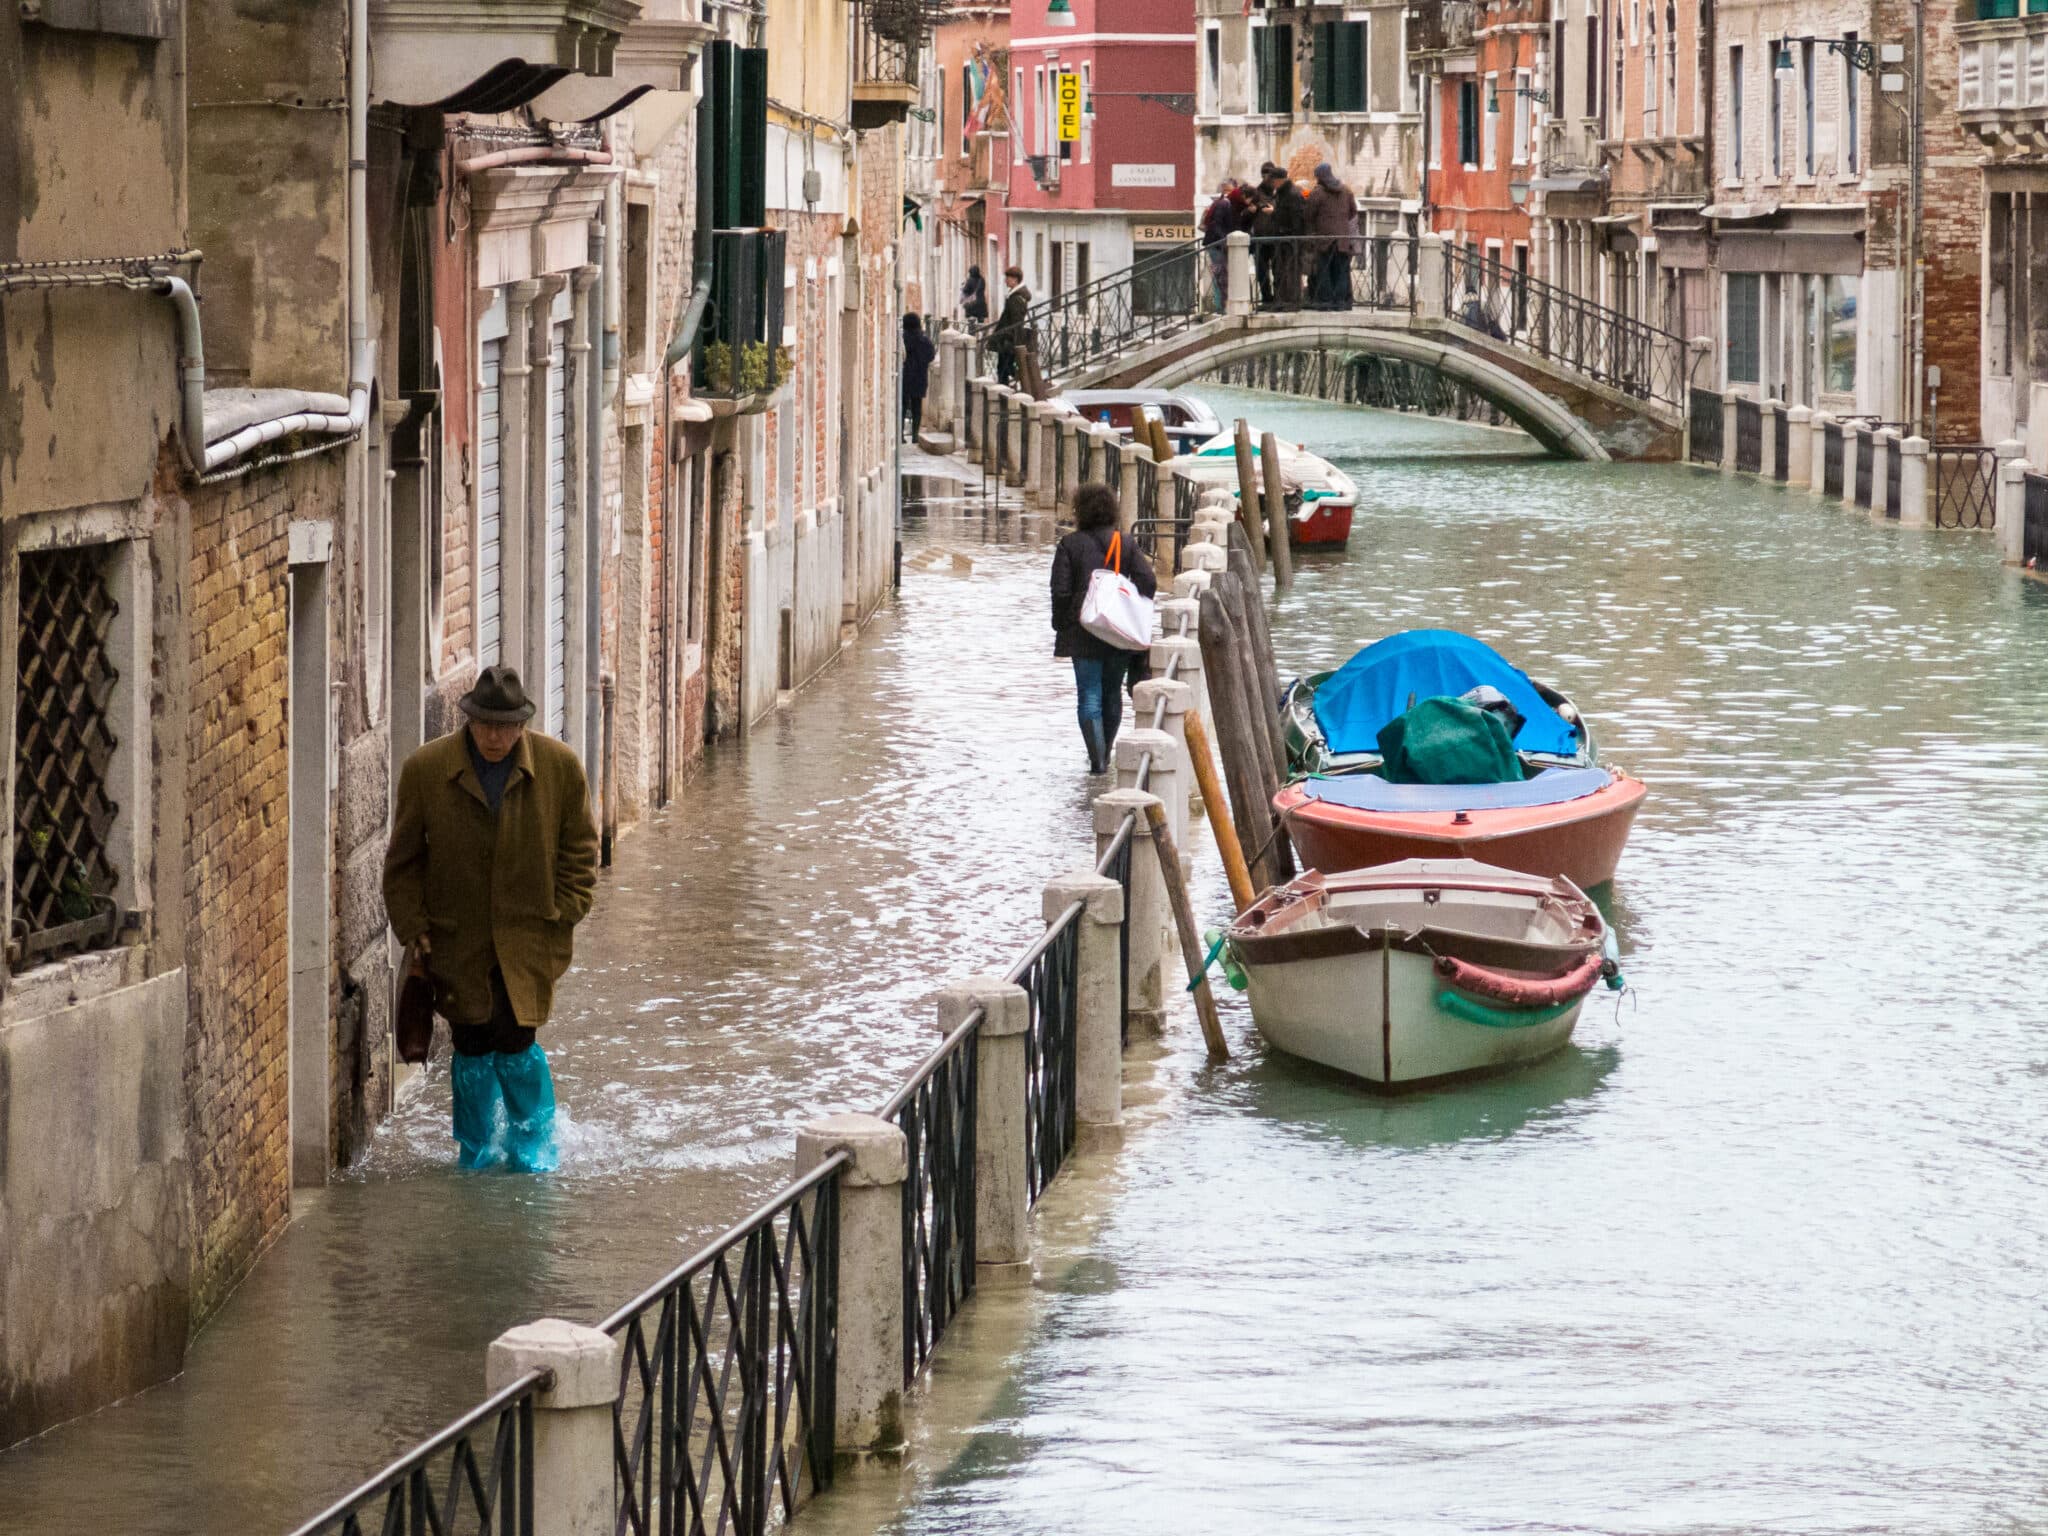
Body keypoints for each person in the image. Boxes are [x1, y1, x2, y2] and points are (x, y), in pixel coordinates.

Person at [382, 666, 599, 1172]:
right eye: (485, 726)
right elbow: (403, 863)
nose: (495, 737)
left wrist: (563, 912)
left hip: (529, 937)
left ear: (523, 725)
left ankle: (534, 1146)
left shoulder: (560, 769)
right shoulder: (426, 771)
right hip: (457, 943)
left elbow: (580, 851)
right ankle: (476, 1151)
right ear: (469, 721)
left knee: (518, 1037)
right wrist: (414, 929)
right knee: (472, 1043)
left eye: (505, 727)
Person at [1050, 483, 1158, 774]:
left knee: (1089, 696)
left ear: (1080, 511)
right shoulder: (1125, 543)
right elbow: (1148, 583)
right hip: (1118, 634)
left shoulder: (1069, 545)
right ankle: (1105, 754)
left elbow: (1059, 592)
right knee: (1111, 694)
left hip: (1082, 632)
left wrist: (1061, 625)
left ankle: (1097, 761)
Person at [1305, 163, 1359, 310]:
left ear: (1320, 177)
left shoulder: (1317, 193)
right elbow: (1353, 213)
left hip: (1324, 239)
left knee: (1324, 271)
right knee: (1342, 271)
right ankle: (1341, 302)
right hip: (1342, 239)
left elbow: (1308, 215)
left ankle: (1326, 302)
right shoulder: (1346, 191)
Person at [1268, 162, 1310, 310]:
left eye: (1273, 180)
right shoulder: (1282, 194)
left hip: (1291, 240)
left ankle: (1292, 302)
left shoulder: (1292, 194)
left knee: (1291, 271)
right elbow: (1282, 215)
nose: (1272, 184)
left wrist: (1295, 240)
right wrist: (1274, 214)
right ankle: (1282, 300)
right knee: (1281, 271)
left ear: (1279, 180)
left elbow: (1297, 220)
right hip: (1282, 239)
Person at [1200, 177, 1241, 312]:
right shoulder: (1222, 204)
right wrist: (1225, 240)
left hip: (1220, 245)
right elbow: (1216, 224)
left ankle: (1225, 304)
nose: (1227, 193)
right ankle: (1221, 306)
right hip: (1216, 246)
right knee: (1219, 275)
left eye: (1229, 190)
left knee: (1225, 275)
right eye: (1225, 190)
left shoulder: (1230, 204)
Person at [989, 264, 1032, 388]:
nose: (1005, 281)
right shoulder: (1014, 296)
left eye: (1007, 278)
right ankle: (1011, 385)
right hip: (1008, 337)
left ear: (1015, 279)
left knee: (1004, 368)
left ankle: (1006, 390)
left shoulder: (1017, 298)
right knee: (1004, 367)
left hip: (1009, 339)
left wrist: (1007, 337)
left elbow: (1016, 321)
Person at [901, 313, 936, 442]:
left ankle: (900, 435)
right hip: (919, 376)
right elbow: (931, 355)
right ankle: (915, 435)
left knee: (902, 406)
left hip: (904, 375)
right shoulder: (924, 340)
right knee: (916, 406)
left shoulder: (903, 339)